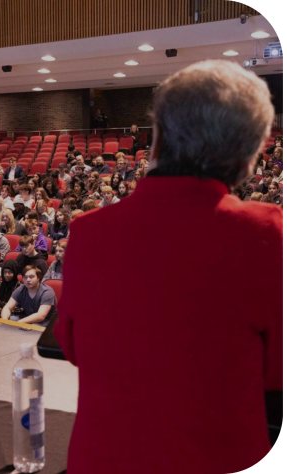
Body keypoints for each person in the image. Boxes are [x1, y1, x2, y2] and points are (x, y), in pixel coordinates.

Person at [54, 60, 283, 474]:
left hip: (101, 460)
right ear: (249, 157)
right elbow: (276, 372)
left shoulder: (88, 231)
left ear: (156, 139)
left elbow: (72, 348)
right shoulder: (267, 234)